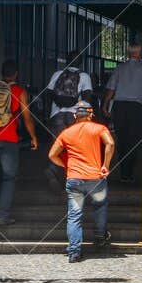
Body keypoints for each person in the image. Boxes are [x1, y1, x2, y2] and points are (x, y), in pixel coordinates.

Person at [47, 100, 115, 264]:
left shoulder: (66, 133)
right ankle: (100, 237)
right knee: (100, 206)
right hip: (95, 178)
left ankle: (74, 253)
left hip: (74, 179)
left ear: (75, 115)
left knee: (74, 216)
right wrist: (105, 166)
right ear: (91, 114)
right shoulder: (99, 128)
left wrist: (66, 166)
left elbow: (52, 155)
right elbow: (110, 143)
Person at [0, 59, 39, 228]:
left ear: (2, 73)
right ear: (16, 74)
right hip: (9, 140)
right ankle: (2, 216)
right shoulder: (19, 91)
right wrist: (33, 137)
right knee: (9, 177)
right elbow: (27, 118)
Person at [103, 43, 142, 182]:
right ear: (139, 54)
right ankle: (129, 173)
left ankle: (124, 173)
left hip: (119, 108)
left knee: (122, 140)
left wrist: (105, 105)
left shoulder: (119, 68)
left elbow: (111, 90)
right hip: (136, 109)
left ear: (129, 53)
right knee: (134, 141)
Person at [42, 61, 95, 186]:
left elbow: (48, 94)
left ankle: (53, 169)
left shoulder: (58, 74)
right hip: (74, 116)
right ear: (80, 62)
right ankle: (71, 178)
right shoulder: (84, 76)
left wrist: (46, 115)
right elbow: (87, 97)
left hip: (57, 116)